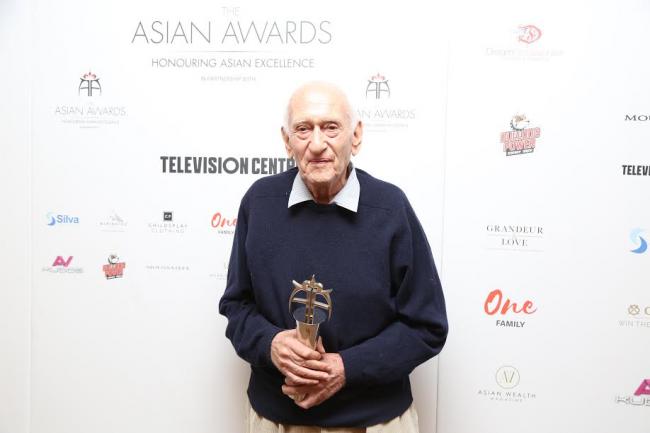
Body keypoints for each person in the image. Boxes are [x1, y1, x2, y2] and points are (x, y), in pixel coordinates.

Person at [219, 82, 448, 433]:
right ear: (287, 141)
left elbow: (427, 326)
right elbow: (237, 306)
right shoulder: (259, 203)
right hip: (276, 421)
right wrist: (270, 344)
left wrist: (347, 368)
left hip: (374, 422)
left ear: (356, 137)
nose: (316, 144)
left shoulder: (390, 209)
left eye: (330, 128)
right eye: (303, 129)